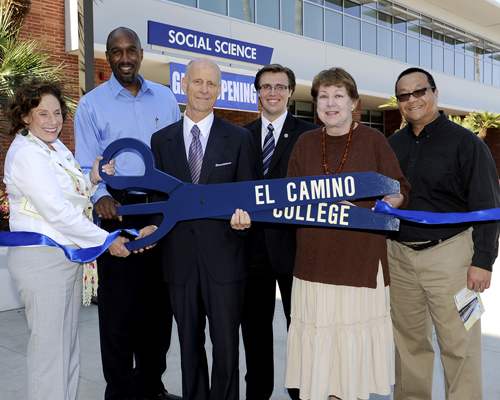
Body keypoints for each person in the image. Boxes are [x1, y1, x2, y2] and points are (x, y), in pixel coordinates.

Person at [283, 67, 410, 400]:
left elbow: (400, 190)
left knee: (349, 364)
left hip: (361, 265)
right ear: (315, 104)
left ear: (354, 102)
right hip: (314, 265)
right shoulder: (305, 143)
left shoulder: (374, 140)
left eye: (339, 95)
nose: (331, 103)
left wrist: (385, 202)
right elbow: (285, 198)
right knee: (320, 362)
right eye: (323, 96)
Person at [4, 79, 130, 400]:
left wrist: (93, 177)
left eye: (57, 113)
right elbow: (56, 211)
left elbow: (72, 196)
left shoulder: (54, 146)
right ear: (25, 117)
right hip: (41, 259)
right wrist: (106, 240)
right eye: (42, 114)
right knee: (49, 354)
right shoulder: (26, 154)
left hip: (67, 257)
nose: (52, 121)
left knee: (67, 349)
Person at [74, 27, 181, 400]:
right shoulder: (91, 104)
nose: (124, 58)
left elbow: (173, 158)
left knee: (157, 308)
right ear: (108, 57)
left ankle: (151, 387)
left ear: (140, 53)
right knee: (118, 313)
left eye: (131, 50)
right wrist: (101, 194)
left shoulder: (166, 99)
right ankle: (119, 392)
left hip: (161, 209)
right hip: (116, 210)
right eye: (116, 52)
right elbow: (85, 162)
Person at [387, 67, 500, 400]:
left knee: (460, 346)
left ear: (435, 93)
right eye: (404, 95)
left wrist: (484, 260)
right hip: (400, 259)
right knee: (408, 347)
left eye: (419, 91)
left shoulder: (466, 143)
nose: (412, 100)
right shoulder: (391, 145)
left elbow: (488, 204)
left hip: (451, 258)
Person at [147, 57, 256, 400]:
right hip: (179, 262)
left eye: (211, 84)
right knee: (189, 347)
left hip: (224, 261)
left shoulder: (239, 138)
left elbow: (249, 197)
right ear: (183, 85)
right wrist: (152, 226)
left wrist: (245, 218)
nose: (204, 90)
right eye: (198, 82)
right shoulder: (160, 141)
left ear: (219, 90)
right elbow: (156, 201)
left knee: (226, 349)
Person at [241, 63, 318, 400]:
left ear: (290, 92)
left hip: (296, 247)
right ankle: (258, 393)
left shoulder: (310, 135)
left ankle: (300, 392)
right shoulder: (241, 136)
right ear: (257, 92)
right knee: (254, 331)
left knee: (300, 329)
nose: (272, 92)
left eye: (279, 86)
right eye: (266, 86)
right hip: (250, 247)